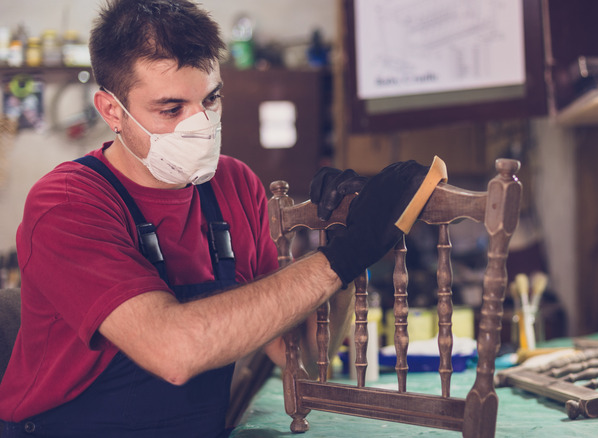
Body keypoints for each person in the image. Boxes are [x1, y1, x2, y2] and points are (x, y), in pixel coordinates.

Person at [0, 1, 428, 437]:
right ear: (112, 111)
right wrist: (342, 257)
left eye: (211, 99)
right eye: (171, 109)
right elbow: (173, 350)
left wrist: (345, 239)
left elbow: (304, 357)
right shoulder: (67, 204)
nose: (200, 124)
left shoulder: (235, 184)